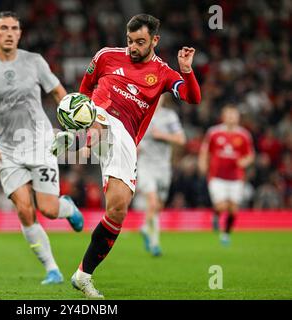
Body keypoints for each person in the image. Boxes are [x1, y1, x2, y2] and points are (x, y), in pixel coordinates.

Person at [63, 13, 201, 298]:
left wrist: (186, 70)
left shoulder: (162, 72)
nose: (133, 48)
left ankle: (83, 274)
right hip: (102, 116)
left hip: (126, 136)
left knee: (118, 209)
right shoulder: (106, 57)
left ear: (154, 40)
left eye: (140, 42)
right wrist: (86, 116)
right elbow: (86, 88)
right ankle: (82, 140)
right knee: (101, 116)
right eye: (130, 41)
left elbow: (192, 97)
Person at [0, 11, 84, 285]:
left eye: (14, 28)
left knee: (49, 210)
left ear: (20, 33)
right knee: (24, 209)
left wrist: (72, 120)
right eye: (3, 28)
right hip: (7, 150)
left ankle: (68, 208)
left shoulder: (35, 62)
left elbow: (57, 92)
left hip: (40, 144)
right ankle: (52, 269)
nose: (8, 33)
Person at [135, 93, 186, 256]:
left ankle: (152, 239)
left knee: (158, 206)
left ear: (164, 98)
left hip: (163, 167)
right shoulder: (141, 113)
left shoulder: (169, 116)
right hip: (145, 165)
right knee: (152, 200)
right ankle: (147, 233)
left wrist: (162, 135)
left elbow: (181, 139)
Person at [198, 105, 254, 245]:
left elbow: (250, 155)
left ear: (238, 117)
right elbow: (205, 150)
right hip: (217, 176)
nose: (231, 118)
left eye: (234, 115)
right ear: (223, 117)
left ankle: (226, 234)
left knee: (233, 209)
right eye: (229, 115)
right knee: (222, 206)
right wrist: (203, 163)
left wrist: (244, 162)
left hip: (236, 177)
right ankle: (216, 215)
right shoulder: (214, 132)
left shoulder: (244, 135)